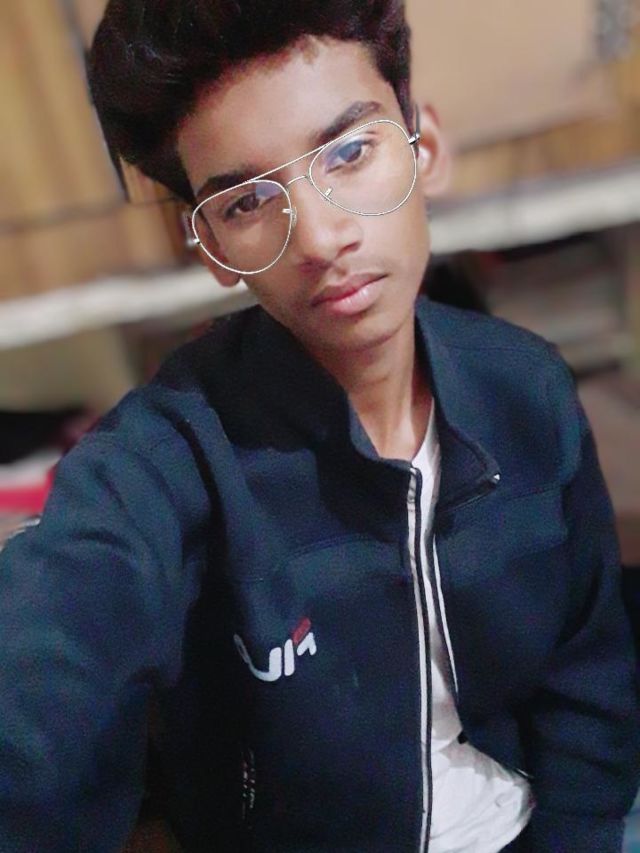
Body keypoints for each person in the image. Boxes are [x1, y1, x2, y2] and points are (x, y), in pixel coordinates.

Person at [0, 1, 638, 851]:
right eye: (246, 202)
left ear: (424, 148)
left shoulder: (528, 388)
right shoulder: (166, 461)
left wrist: (576, 833)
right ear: (212, 247)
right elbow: (49, 659)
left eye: (348, 152)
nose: (322, 237)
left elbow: (588, 670)